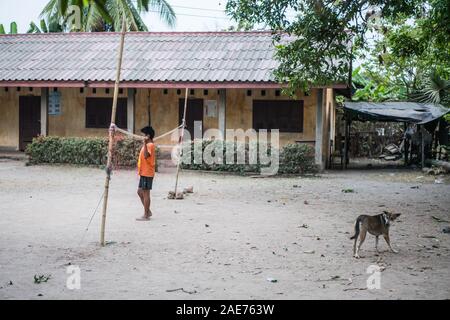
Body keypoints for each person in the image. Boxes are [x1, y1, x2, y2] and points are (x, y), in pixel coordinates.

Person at [136, 126, 156, 221]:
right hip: (143, 172)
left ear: (147, 136)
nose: (142, 136)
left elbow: (146, 155)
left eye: (143, 135)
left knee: (146, 193)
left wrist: (144, 143)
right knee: (140, 192)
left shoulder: (150, 145)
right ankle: (148, 211)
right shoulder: (148, 144)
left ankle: (146, 215)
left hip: (147, 173)